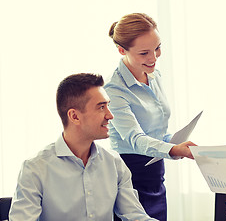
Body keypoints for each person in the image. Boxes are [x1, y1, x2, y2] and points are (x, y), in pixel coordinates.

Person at [9, 73, 158, 221]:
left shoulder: (114, 163)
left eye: (108, 106)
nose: (110, 115)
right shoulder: (35, 169)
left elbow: (135, 216)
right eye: (101, 107)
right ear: (74, 116)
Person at [105, 13, 196, 221]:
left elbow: (156, 132)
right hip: (130, 175)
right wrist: (173, 149)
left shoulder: (154, 75)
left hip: (155, 171)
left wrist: (176, 142)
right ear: (121, 50)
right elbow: (135, 138)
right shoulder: (113, 88)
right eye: (144, 52)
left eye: (157, 48)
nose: (154, 57)